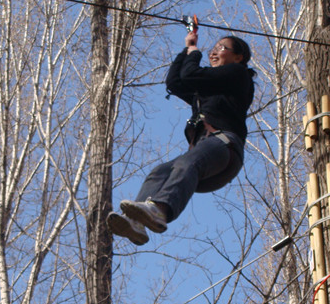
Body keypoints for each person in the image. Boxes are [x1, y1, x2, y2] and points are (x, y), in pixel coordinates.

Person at [108, 27, 255, 245]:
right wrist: (187, 49)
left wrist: (194, 53)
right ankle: (135, 223)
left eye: (221, 48)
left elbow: (190, 75)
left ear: (238, 57)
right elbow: (176, 83)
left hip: (225, 147)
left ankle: (159, 210)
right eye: (212, 49)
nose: (213, 53)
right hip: (204, 158)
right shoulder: (208, 91)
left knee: (188, 162)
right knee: (159, 173)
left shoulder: (238, 74)